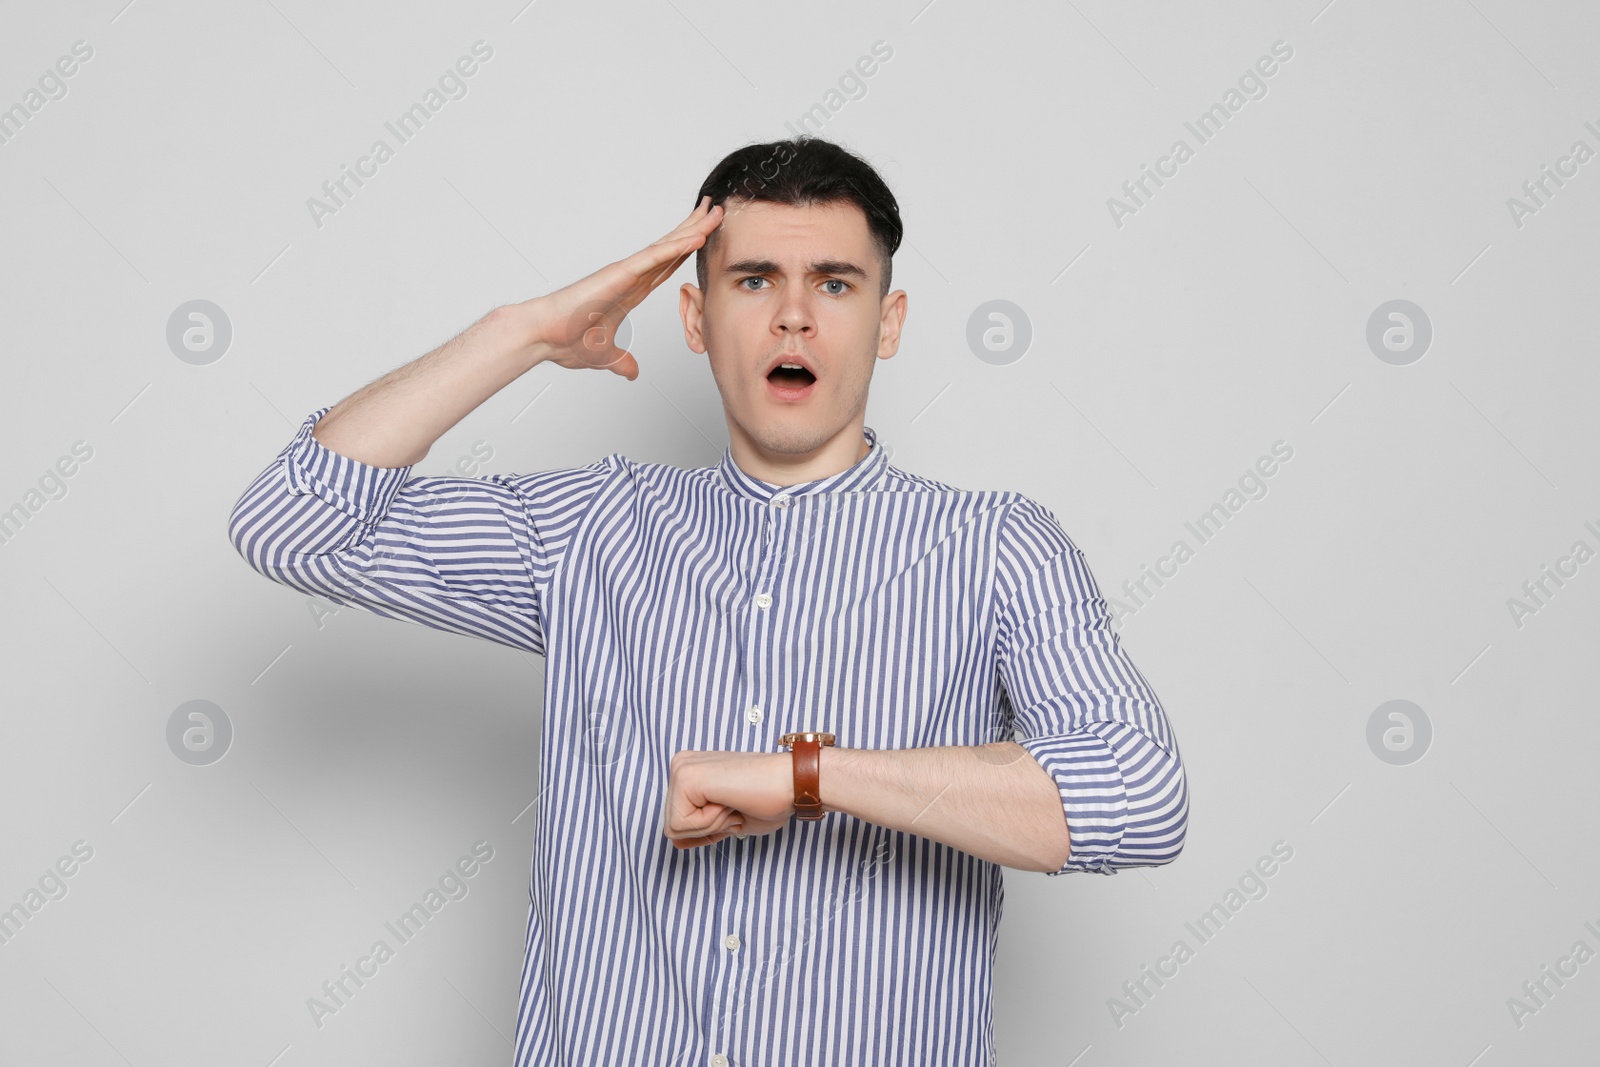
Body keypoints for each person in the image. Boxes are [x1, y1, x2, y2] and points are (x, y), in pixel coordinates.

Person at [228, 135, 1187, 1067]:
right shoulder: (591, 528)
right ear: (695, 318)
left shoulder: (996, 549)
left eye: (837, 284)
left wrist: (809, 776)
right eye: (755, 279)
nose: (795, 318)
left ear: (889, 324)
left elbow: (1140, 797)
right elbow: (293, 524)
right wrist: (520, 333)